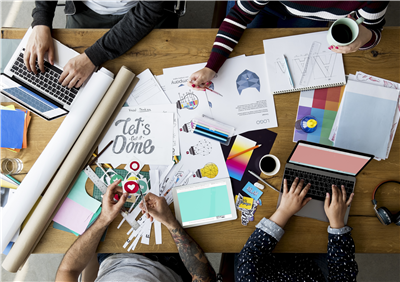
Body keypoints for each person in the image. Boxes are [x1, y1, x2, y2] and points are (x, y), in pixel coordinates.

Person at [188, 0, 389, 89]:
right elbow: (240, 15)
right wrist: (211, 66)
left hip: (311, 18)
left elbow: (374, 31)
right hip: (264, 7)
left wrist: (365, 39)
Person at [55, 179, 217, 282]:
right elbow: (205, 278)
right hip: (171, 262)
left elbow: (67, 270)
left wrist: (104, 218)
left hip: (113, 253)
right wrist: (170, 223)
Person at [24, 0, 168, 89]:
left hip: (142, 12)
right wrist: (41, 22)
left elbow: (148, 12)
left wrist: (92, 57)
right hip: (86, 12)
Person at [235, 177, 358, 281]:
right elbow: (343, 274)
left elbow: (250, 255)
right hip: (313, 271)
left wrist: (284, 211)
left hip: (268, 265)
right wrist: (337, 223)